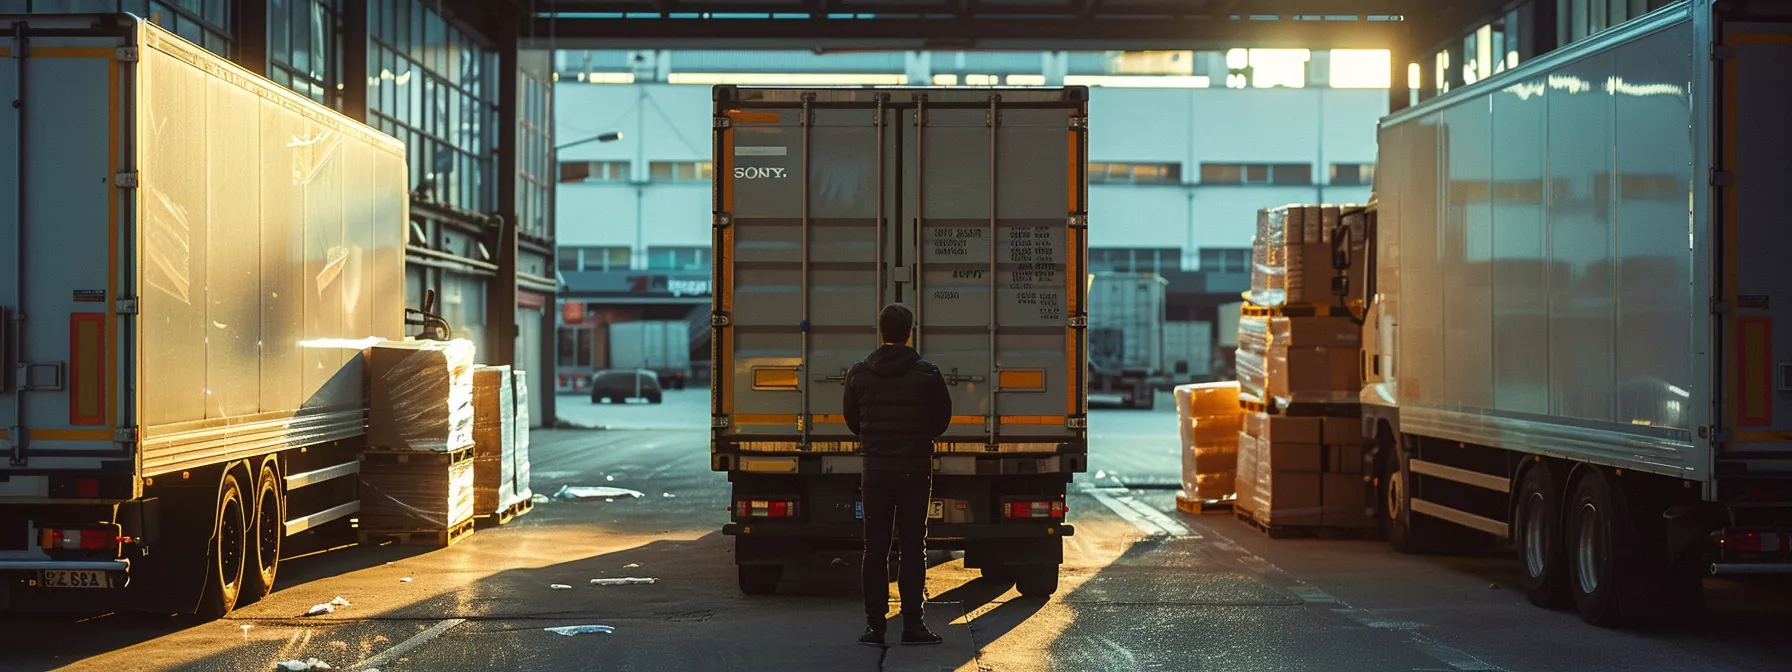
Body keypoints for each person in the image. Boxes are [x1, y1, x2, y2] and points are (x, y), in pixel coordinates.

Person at [843, 303, 953, 647]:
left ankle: (875, 628)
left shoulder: (859, 373)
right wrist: (918, 438)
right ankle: (912, 625)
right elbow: (942, 420)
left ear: (881, 331)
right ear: (909, 331)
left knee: (874, 549)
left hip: (874, 471)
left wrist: (876, 441)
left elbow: (852, 420)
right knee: (912, 546)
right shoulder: (927, 373)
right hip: (914, 470)